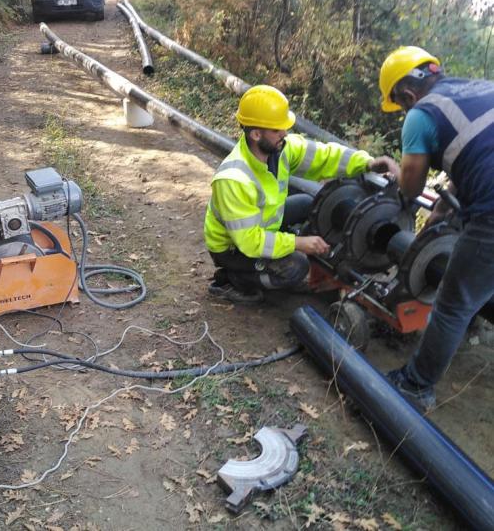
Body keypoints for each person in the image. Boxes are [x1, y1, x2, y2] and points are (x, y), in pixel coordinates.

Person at [204, 84, 399, 303]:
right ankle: (235, 280)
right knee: (296, 266)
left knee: (308, 203)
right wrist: (298, 243)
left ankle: (277, 264)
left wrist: (369, 163)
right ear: (256, 134)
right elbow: (249, 241)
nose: (284, 134)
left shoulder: (281, 149)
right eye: (277, 130)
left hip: (262, 225)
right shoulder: (233, 179)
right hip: (233, 248)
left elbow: (326, 156)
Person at [379, 45, 494, 412]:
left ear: (407, 95)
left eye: (400, 106)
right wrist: (441, 211)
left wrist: (398, 173)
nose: (404, 112)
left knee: (452, 303)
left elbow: (411, 188)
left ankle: (415, 385)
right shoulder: (479, 88)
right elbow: (476, 156)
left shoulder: (422, 114)